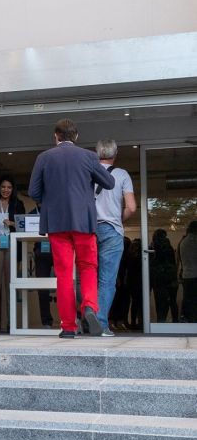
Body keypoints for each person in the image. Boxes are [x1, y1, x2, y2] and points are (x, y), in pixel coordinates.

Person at [28, 118, 114, 339]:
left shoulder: (44, 157)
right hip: (83, 222)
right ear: (76, 136)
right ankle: (89, 307)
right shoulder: (89, 156)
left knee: (64, 274)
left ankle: (68, 327)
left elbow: (34, 192)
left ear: (55, 136)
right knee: (88, 267)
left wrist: (51, 200)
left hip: (57, 224)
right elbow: (109, 183)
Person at [94, 139, 137, 336]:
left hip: (89, 230)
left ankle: (84, 315)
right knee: (107, 280)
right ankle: (101, 324)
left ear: (97, 154)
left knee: (86, 277)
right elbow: (132, 207)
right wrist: (118, 219)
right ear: (115, 154)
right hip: (112, 231)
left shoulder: (88, 173)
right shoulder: (122, 174)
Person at [0, 176, 25, 332]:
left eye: (9, 187)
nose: (6, 190)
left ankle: (11, 321)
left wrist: (13, 223)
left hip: (12, 245)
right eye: (3, 187)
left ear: (13, 189)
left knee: (11, 285)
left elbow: (25, 226)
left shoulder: (18, 204)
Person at [151, 229, 179, 322]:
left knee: (161, 303)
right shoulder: (169, 246)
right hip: (171, 277)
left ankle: (161, 322)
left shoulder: (155, 246)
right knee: (172, 301)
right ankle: (175, 321)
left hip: (160, 278)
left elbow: (154, 263)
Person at [179, 221, 197, 323]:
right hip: (195, 275)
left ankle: (187, 320)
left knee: (188, 300)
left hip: (186, 275)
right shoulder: (195, 241)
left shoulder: (183, 242)